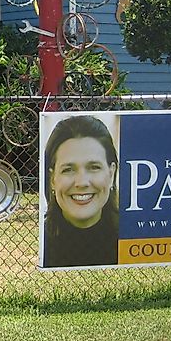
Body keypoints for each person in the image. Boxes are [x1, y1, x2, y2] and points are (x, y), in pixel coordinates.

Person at [42, 115, 119, 268]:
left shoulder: (131, 237)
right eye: (68, 169)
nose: (82, 182)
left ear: (111, 174)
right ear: (52, 178)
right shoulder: (40, 243)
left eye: (94, 167)